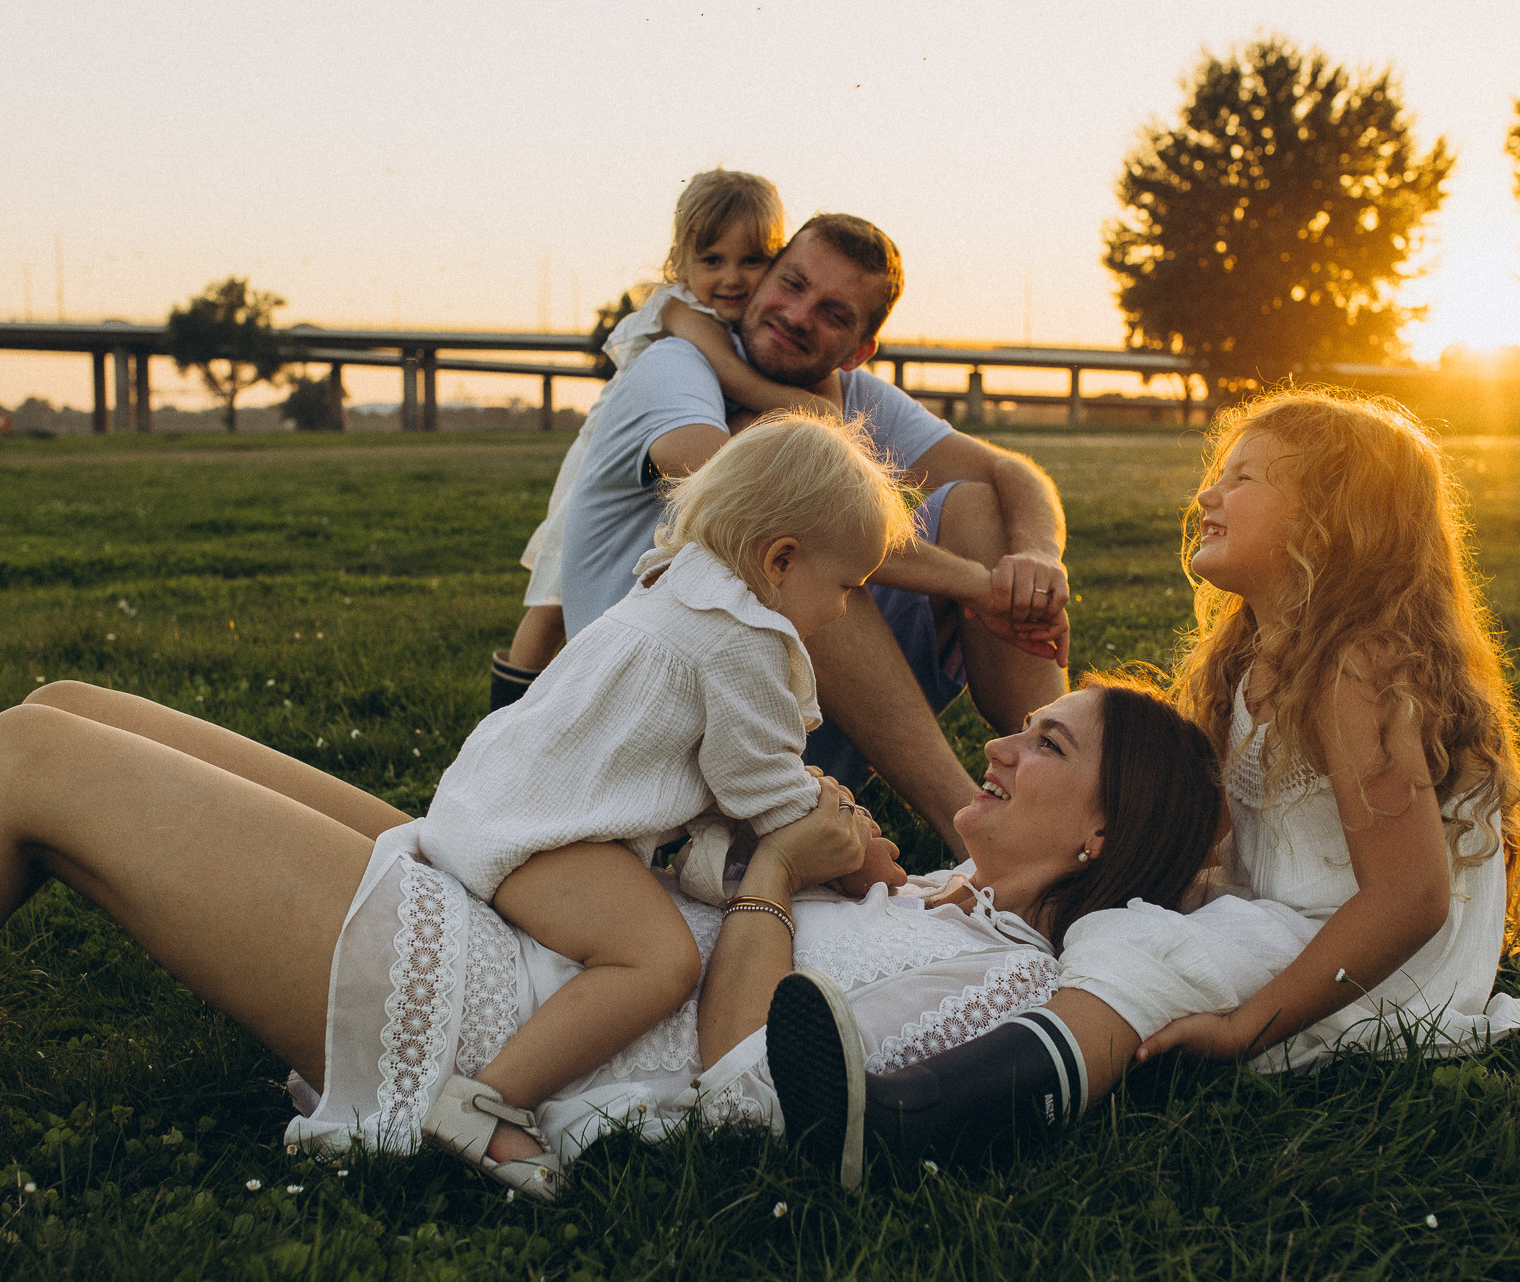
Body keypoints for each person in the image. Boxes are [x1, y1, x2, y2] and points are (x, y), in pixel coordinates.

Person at [0, 674, 1222, 1201]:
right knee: (77, 706)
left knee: (31, 761)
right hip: (534, 928)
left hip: (509, 1017)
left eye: (1047, 744)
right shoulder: (928, 899)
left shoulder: (1001, 979)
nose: (1006, 746)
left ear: (1098, 839)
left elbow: (754, 1091)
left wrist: (779, 872)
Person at [768, 387, 1520, 1186]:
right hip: (1279, 916)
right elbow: (1187, 826)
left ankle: (915, 1121)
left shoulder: (1357, 669)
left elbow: (1409, 898)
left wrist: (1242, 1026)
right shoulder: (1253, 658)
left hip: (1368, 957)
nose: (1207, 495)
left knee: (1141, 945)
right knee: (1109, 912)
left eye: (1245, 479)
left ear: (1330, 523)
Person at [412, 412, 915, 1196]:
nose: (844, 610)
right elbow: (769, 789)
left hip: (499, 794)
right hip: (536, 832)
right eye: (846, 586)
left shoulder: (680, 582)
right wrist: (856, 852)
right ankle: (488, 1100)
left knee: (663, 918)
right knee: (660, 959)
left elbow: (709, 781)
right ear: (781, 559)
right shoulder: (739, 638)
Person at [557, 211, 1074, 857]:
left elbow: (1009, 470)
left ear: (860, 349)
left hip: (776, 720)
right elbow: (755, 501)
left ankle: (1064, 790)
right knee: (799, 555)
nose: (800, 314)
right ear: (764, 276)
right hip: (650, 726)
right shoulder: (675, 362)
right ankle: (976, 837)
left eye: (834, 312)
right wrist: (980, 585)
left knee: (976, 504)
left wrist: (1032, 561)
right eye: (793, 283)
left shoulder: (855, 394)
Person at [494, 167, 830, 707]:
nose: (732, 278)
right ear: (679, 263)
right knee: (555, 595)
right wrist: (819, 410)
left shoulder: (740, 320)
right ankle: (505, 717)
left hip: (661, 460)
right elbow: (734, 378)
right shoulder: (683, 311)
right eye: (712, 260)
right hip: (610, 462)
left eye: (752, 260)